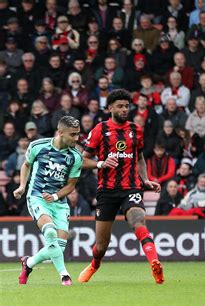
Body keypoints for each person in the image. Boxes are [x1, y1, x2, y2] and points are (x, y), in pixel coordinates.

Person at [77, 89, 164, 284]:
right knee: (101, 246)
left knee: (138, 220)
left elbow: (140, 158)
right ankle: (94, 265)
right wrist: (101, 163)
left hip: (131, 188)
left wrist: (146, 179)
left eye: (127, 106)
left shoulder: (135, 130)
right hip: (106, 191)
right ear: (110, 108)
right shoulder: (100, 130)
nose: (125, 109)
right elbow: (82, 161)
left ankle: (155, 263)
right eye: (120, 106)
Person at [15, 116, 83, 286]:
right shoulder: (38, 146)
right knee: (50, 232)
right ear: (60, 133)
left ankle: (28, 263)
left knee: (58, 247)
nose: (77, 138)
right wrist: (22, 186)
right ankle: (64, 275)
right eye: (73, 135)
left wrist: (54, 197)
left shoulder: (76, 156)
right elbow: (26, 165)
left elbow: (71, 186)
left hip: (59, 203)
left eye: (78, 134)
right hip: (37, 197)